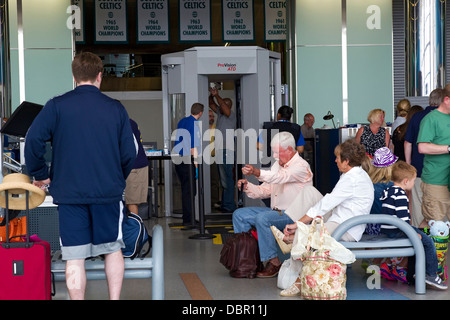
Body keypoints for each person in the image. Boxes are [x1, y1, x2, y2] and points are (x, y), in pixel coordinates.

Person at [24, 52, 137, 300]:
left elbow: (32, 140)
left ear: (74, 77)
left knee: (74, 256)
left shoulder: (56, 106)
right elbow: (129, 152)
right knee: (112, 250)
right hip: (107, 193)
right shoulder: (115, 108)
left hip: (70, 194)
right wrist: (116, 177)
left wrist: (41, 175)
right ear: (100, 76)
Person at [276, 138, 374, 296]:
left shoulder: (351, 179)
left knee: (307, 236)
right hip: (340, 217)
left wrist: (299, 224)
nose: (335, 160)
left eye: (338, 157)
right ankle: (294, 235)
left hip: (346, 227)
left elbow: (326, 204)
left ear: (346, 161)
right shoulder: (354, 173)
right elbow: (329, 202)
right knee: (309, 193)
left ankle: (298, 278)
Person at [232, 131, 313, 278]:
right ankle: (249, 260)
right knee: (240, 215)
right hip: (276, 212)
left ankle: (274, 263)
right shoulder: (277, 164)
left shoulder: (301, 166)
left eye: (278, 152)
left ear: (290, 150)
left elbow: (280, 177)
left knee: (263, 218)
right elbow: (266, 189)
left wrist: (257, 172)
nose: (275, 156)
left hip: (293, 215)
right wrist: (247, 186)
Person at [379, 161, 447, 290]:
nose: (413, 183)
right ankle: (431, 275)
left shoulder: (388, 191)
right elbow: (403, 220)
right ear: (405, 181)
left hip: (388, 230)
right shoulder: (400, 195)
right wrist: (412, 233)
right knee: (428, 242)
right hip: (398, 230)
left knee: (421, 238)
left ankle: (418, 272)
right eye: (413, 181)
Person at [404, 88, 442, 227]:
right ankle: (439, 240)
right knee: (439, 206)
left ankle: (419, 239)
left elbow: (408, 142)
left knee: (418, 204)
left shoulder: (417, 116)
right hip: (440, 172)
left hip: (418, 168)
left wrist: (409, 164)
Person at [417, 84, 450, 229]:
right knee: (433, 224)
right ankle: (417, 250)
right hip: (436, 181)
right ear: (447, 100)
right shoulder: (431, 119)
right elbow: (422, 147)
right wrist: (448, 148)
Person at [173, 103, 204, 226]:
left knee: (186, 190)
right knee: (191, 191)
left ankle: (188, 218)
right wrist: (196, 165)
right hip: (187, 160)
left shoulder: (182, 121)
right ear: (200, 112)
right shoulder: (194, 124)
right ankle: (189, 220)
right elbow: (193, 147)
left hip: (178, 160)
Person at [209, 87, 236, 213]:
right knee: (223, 179)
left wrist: (217, 96)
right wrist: (211, 95)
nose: (220, 106)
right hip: (221, 151)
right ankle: (225, 204)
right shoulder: (220, 114)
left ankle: (229, 205)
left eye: (223, 104)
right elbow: (211, 104)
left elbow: (222, 106)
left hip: (227, 151)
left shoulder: (231, 115)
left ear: (228, 105)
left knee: (228, 179)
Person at [124, 119, 149, 217]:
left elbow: (131, 147)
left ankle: (135, 230)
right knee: (128, 200)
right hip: (129, 167)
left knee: (131, 201)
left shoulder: (126, 123)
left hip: (134, 167)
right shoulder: (128, 122)